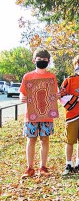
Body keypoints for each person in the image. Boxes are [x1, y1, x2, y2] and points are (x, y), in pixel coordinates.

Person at [19, 48, 59, 178]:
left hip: (47, 114)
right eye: (39, 60)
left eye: (45, 60)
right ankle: (30, 167)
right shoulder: (28, 76)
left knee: (44, 140)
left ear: (48, 61)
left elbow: (55, 92)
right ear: (34, 60)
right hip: (31, 114)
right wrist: (21, 97)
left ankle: (43, 166)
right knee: (31, 140)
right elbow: (22, 92)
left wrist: (57, 95)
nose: (42, 62)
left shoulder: (51, 76)